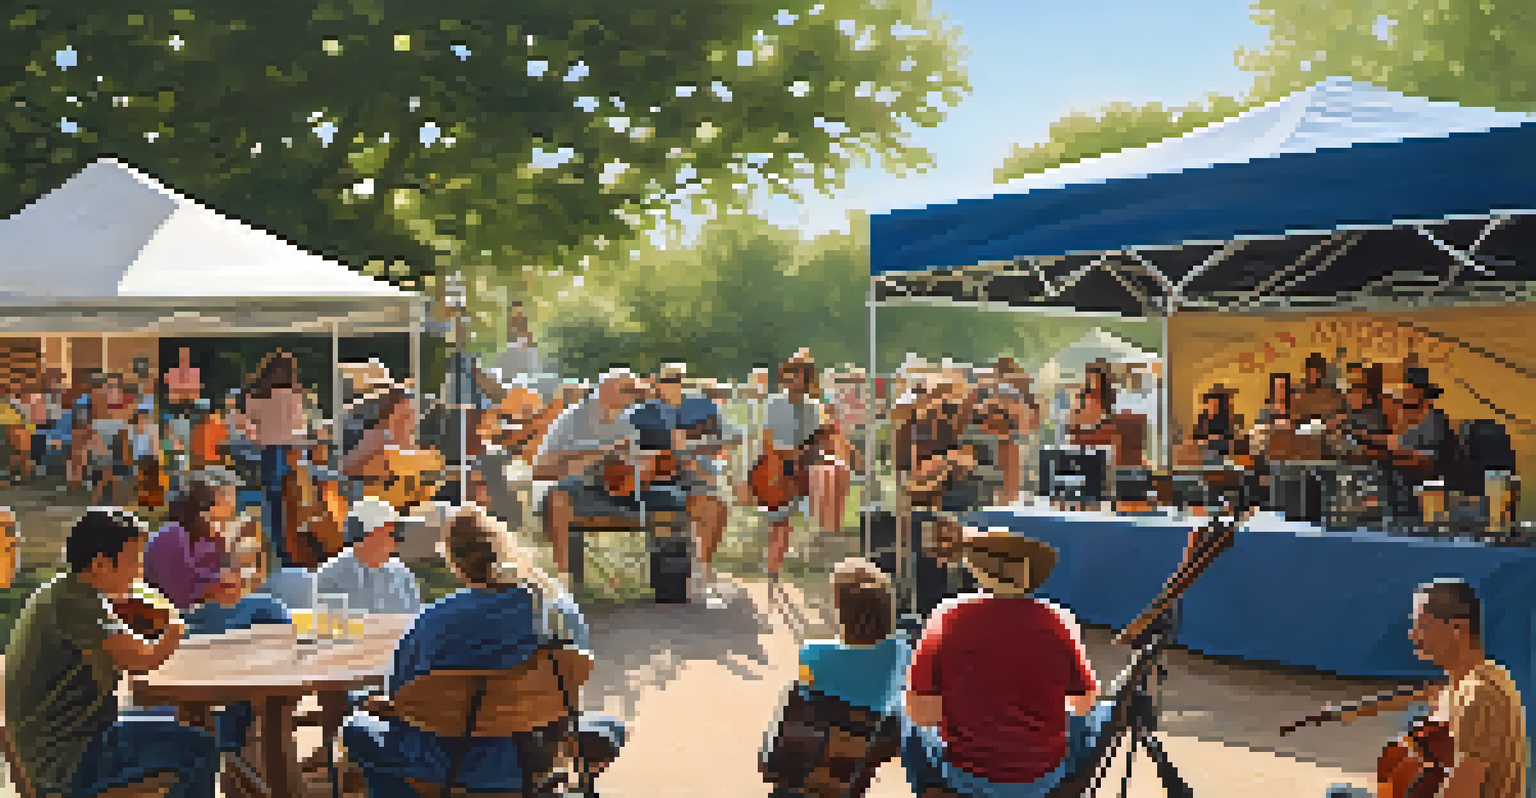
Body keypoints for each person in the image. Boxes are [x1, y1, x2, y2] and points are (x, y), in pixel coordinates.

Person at [341, 506, 627, 795]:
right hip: (535, 755)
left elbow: (401, 701)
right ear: (505, 547)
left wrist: (383, 704)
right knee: (609, 727)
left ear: (453, 561)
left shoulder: (432, 621)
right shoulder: (558, 607)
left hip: (448, 766)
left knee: (357, 727)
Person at [3, 508, 218, 798]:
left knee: (180, 732)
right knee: (200, 751)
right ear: (101, 565)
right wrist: (175, 628)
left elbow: (124, 639)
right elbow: (142, 659)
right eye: (133, 561)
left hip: (57, 751)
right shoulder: (79, 603)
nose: (140, 571)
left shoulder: (68, 592)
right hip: (69, 763)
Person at [902, 531, 1112, 798]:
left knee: (907, 717)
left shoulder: (947, 616)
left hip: (965, 775)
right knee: (1099, 715)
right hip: (1042, 776)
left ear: (976, 570)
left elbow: (921, 712)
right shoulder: (1059, 621)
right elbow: (1084, 703)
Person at [1323, 579, 1526, 798]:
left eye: (1422, 624)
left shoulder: (1480, 697)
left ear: (1458, 628)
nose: (1412, 634)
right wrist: (1356, 709)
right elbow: (1429, 693)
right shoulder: (1483, 674)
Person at [628, 362, 734, 603]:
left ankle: (702, 569)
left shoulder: (700, 405)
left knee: (716, 509)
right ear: (656, 382)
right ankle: (678, 577)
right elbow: (629, 444)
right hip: (657, 473)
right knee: (670, 510)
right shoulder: (642, 411)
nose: (673, 384)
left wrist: (696, 451)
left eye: (678, 379)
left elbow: (722, 440)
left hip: (692, 469)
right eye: (668, 379)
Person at [534, 369, 651, 581]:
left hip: (618, 492)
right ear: (605, 391)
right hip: (576, 492)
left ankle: (676, 581)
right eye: (628, 390)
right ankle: (563, 581)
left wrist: (644, 464)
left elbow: (631, 466)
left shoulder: (627, 423)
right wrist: (600, 451)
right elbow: (541, 468)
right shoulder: (571, 419)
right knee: (558, 497)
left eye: (636, 392)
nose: (634, 397)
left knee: (670, 497)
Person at [751, 350, 844, 580]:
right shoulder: (775, 403)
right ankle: (774, 567)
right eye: (791, 375)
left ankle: (827, 534)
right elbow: (768, 441)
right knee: (780, 524)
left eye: (801, 376)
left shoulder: (813, 407)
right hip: (775, 467)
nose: (795, 381)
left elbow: (814, 445)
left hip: (802, 466)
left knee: (837, 470)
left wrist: (826, 435)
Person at [797, 558, 911, 716]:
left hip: (832, 737)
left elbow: (804, 703)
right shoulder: (903, 652)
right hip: (883, 737)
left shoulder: (809, 654)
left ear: (840, 611)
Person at [144, 467, 248, 612]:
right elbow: (176, 593)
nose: (234, 506)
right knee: (268, 608)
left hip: (207, 611)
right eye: (231, 497)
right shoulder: (172, 535)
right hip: (178, 616)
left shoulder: (214, 538)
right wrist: (218, 584)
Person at [244, 350, 310, 567]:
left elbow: (250, 423)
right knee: (294, 505)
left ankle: (279, 552)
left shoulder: (255, 395)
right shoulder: (294, 395)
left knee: (273, 504)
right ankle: (294, 553)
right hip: (291, 452)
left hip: (269, 452)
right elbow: (301, 426)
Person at [314, 498, 423, 615]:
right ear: (367, 534)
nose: (398, 539)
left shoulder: (403, 574)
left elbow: (416, 622)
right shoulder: (330, 575)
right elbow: (327, 625)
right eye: (392, 532)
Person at [1293, 352, 1347, 423]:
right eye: (1310, 372)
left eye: (1316, 372)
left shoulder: (1333, 395)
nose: (1313, 376)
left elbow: (1340, 416)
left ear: (1322, 373)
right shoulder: (1298, 394)